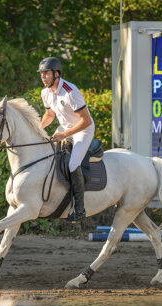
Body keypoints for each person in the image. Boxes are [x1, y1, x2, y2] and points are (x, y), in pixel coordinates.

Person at [38, 57, 95, 222]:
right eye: (41, 74)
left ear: (56, 74)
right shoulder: (45, 92)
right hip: (64, 128)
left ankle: (80, 210)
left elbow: (86, 121)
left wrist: (65, 134)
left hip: (82, 129)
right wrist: (38, 130)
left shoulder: (70, 92)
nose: (43, 77)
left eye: (46, 74)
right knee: (48, 155)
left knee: (72, 164)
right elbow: (49, 115)